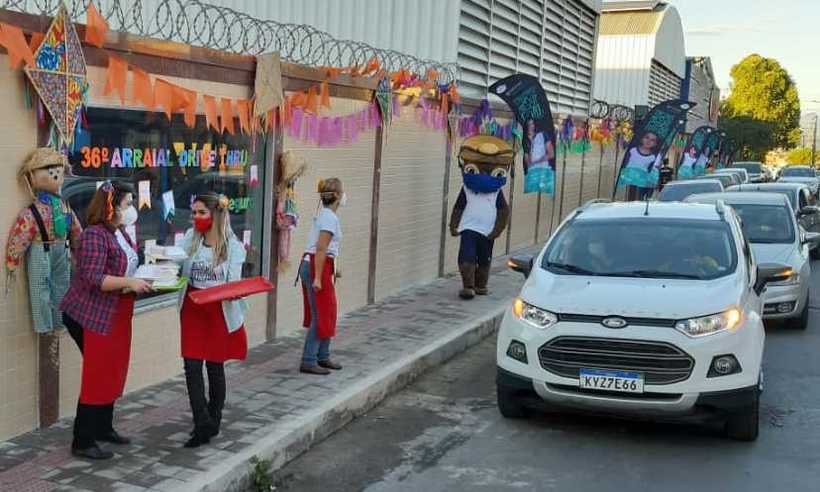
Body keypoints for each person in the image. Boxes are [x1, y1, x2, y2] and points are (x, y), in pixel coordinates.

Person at [61, 181, 153, 460]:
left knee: (112, 369)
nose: (131, 210)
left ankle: (103, 427)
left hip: (116, 312)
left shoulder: (120, 232)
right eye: (126, 204)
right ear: (111, 206)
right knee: (97, 374)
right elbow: (92, 277)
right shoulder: (94, 235)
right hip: (91, 315)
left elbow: (127, 264)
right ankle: (83, 439)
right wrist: (129, 281)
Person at [178, 193, 249, 448]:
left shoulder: (233, 247)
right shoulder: (190, 239)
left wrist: (239, 291)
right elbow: (177, 262)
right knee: (192, 366)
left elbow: (234, 284)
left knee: (214, 367)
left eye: (201, 213)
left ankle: (214, 418)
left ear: (215, 215)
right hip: (193, 308)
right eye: (193, 213)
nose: (195, 218)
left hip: (218, 310)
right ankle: (201, 422)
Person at [299, 178, 345, 375]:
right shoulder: (328, 218)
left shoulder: (326, 215)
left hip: (323, 264)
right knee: (320, 314)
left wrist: (335, 267)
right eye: (342, 192)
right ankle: (309, 359)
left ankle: (322, 355)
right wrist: (318, 277)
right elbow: (320, 248)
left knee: (328, 311)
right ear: (336, 196)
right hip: (317, 265)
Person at [622, 131, 661, 201]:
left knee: (640, 200)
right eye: (647, 137)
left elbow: (655, 171)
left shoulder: (655, 156)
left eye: (652, 140)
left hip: (644, 183)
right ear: (641, 139)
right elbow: (625, 165)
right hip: (631, 181)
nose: (648, 141)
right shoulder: (632, 151)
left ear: (655, 144)